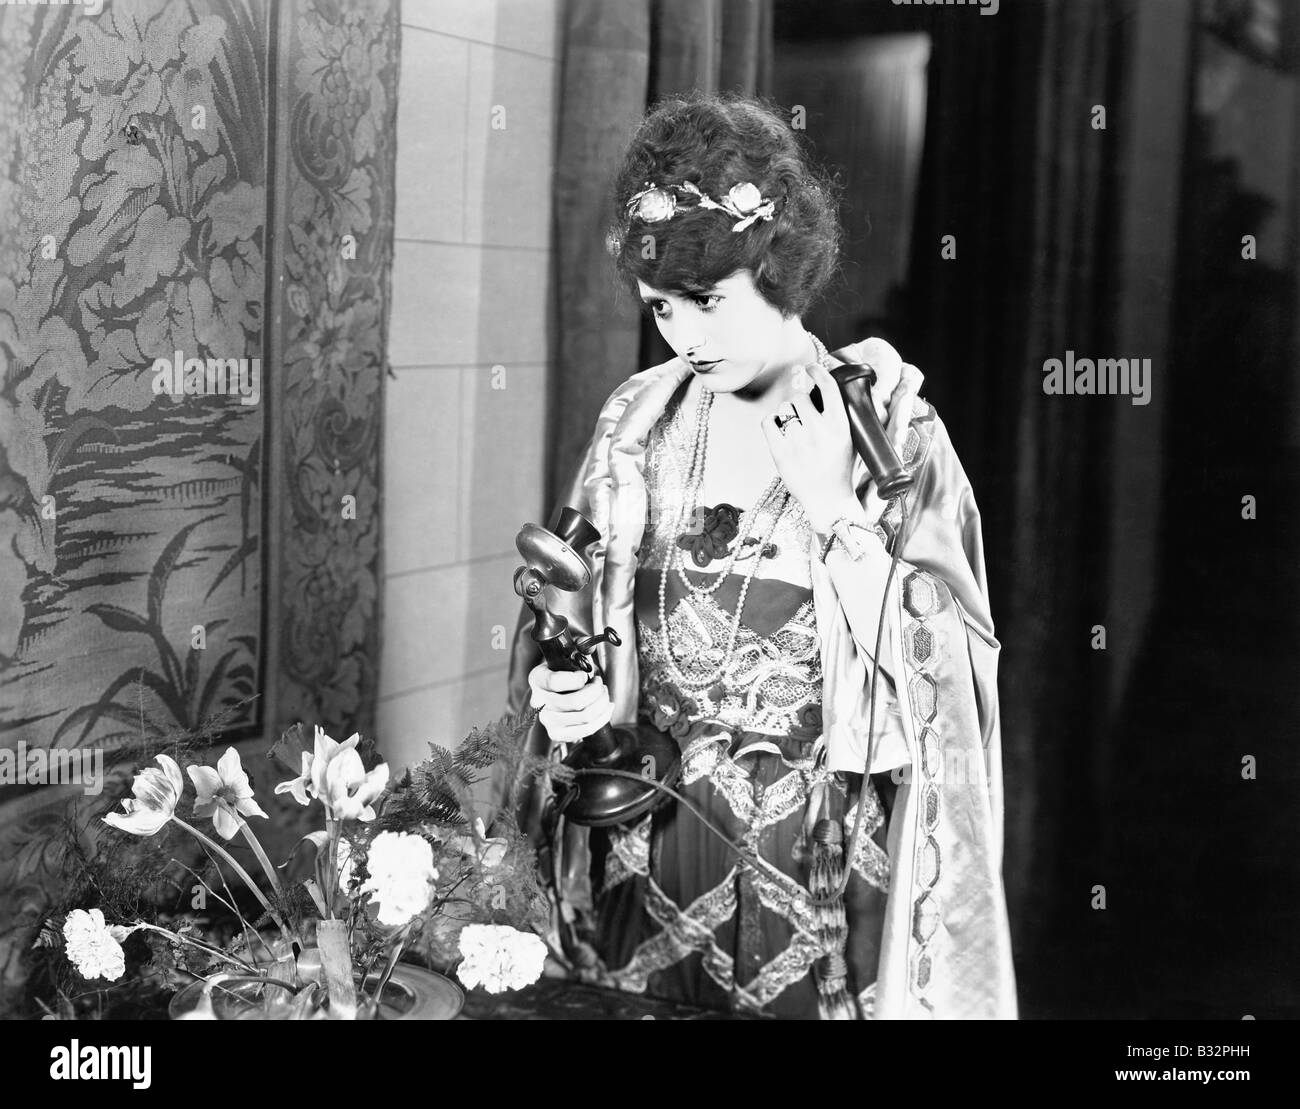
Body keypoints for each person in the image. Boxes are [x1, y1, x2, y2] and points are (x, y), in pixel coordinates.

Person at [506, 93, 1015, 1019]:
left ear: (777, 267)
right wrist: (565, 693)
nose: (687, 336)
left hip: (820, 870)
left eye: (709, 301)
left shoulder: (890, 434)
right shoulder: (633, 425)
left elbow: (951, 677)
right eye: (661, 309)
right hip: (644, 845)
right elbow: (559, 619)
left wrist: (833, 511)